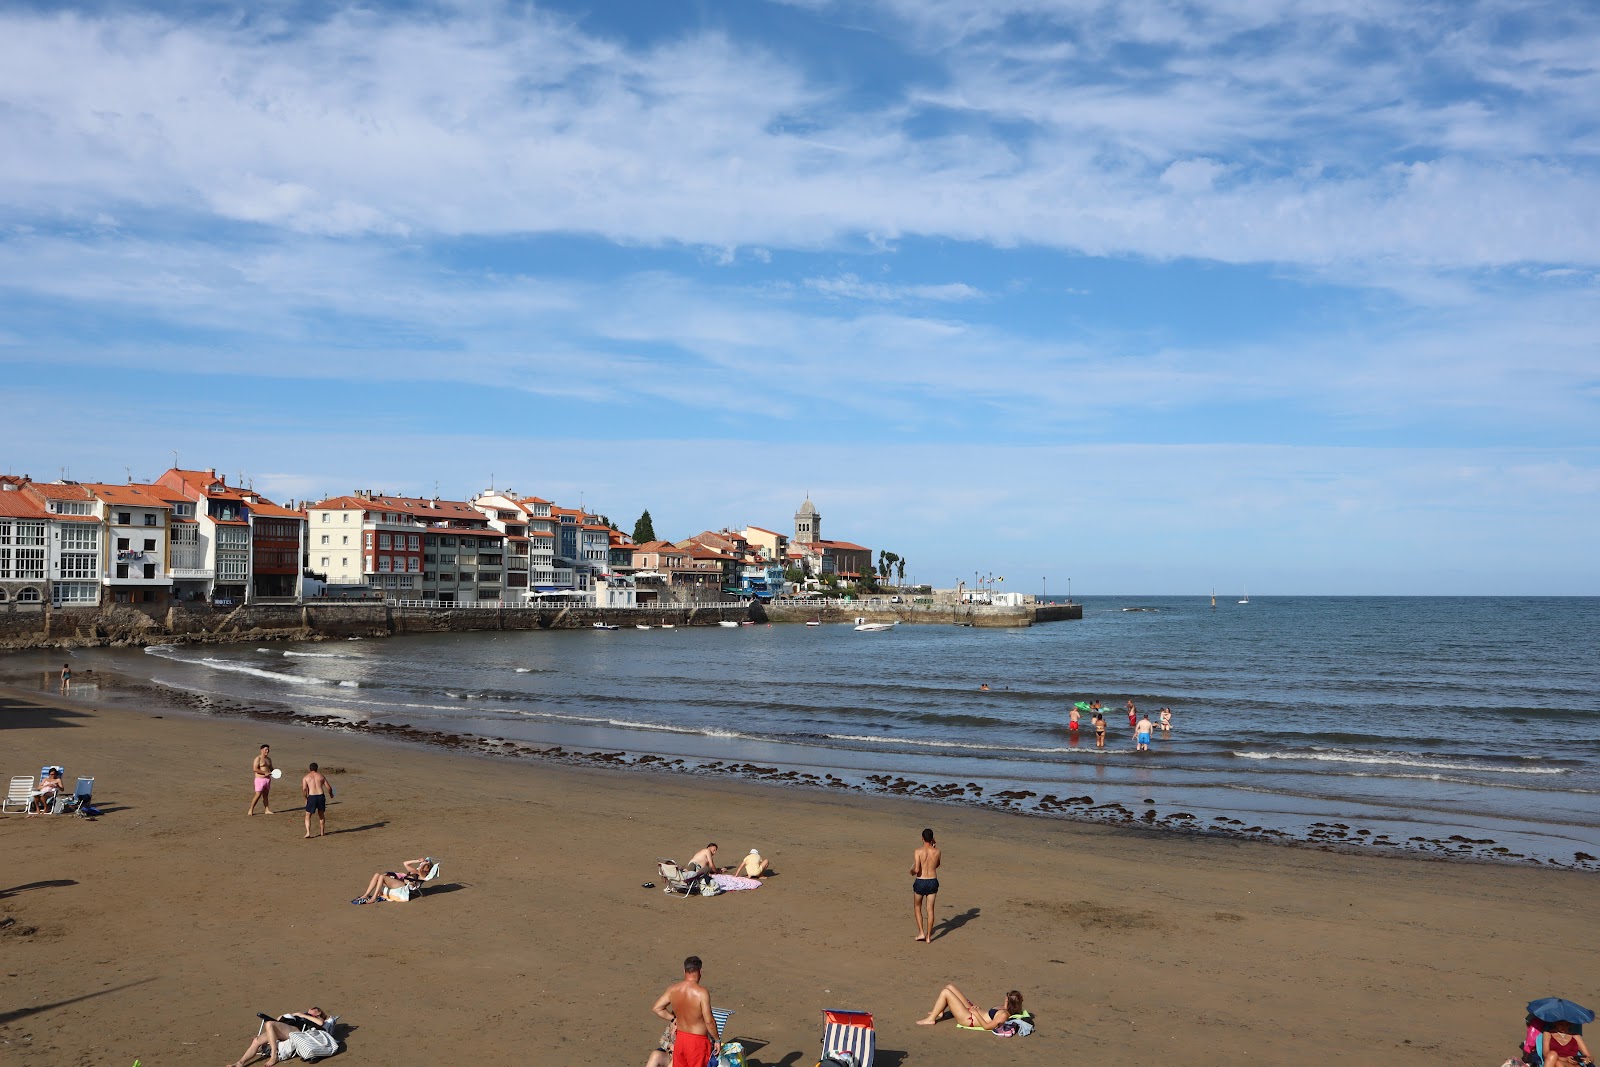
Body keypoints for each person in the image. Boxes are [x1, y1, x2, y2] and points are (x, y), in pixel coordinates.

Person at [651, 955, 720, 1067]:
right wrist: (717, 1040)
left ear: (684, 971)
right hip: (697, 1042)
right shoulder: (701, 992)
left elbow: (657, 1008)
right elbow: (709, 1021)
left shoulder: (673, 989)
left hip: (681, 1040)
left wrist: (674, 1018)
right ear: (700, 971)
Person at [224, 1006, 335, 1067]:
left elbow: (321, 1024)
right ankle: (240, 1063)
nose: (309, 1009)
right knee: (257, 1040)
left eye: (312, 1008)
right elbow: (277, 1020)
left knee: (269, 1024)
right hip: (286, 1028)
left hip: (298, 1033)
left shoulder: (318, 1018)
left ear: (318, 1012)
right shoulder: (301, 1014)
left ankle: (274, 1055)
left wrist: (301, 1015)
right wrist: (289, 1015)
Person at [916, 986, 1023, 1029]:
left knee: (946, 993)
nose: (1004, 1000)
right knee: (949, 987)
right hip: (973, 1011)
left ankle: (931, 1019)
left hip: (969, 1018)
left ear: (1010, 1003)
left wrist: (976, 1014)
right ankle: (939, 1012)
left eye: (1006, 1000)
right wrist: (978, 1009)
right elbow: (988, 1014)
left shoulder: (1004, 1015)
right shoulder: (1004, 1009)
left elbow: (987, 1026)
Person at [351, 857, 435, 904]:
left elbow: (420, 870)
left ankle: (374, 897)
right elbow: (405, 863)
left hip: (403, 887)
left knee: (382, 877)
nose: (422, 866)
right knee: (377, 875)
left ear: (428, 870)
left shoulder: (423, 875)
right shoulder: (415, 871)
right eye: (423, 865)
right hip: (400, 882)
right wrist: (418, 860)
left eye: (425, 867)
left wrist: (425, 864)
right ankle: (366, 894)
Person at [911, 828, 941, 943]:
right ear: (932, 839)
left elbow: (917, 869)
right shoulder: (937, 851)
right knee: (930, 910)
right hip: (932, 880)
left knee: (917, 907)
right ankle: (928, 937)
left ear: (922, 838)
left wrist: (911, 872)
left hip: (921, 881)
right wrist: (934, 847)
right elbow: (937, 865)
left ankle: (921, 933)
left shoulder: (918, 851)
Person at [302, 762, 330, 839]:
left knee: (308, 815)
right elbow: (329, 788)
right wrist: (331, 794)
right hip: (320, 796)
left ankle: (308, 832)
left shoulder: (306, 777)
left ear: (309, 769)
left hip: (312, 796)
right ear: (317, 769)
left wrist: (306, 798)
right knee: (321, 815)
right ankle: (322, 832)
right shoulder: (321, 776)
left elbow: (304, 789)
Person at [247, 744, 274, 816]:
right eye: (266, 750)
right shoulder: (258, 758)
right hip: (259, 779)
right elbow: (255, 769)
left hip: (267, 780)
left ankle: (267, 810)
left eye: (268, 750)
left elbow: (271, 769)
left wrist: (276, 773)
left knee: (266, 795)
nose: (267, 751)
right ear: (261, 750)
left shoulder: (268, 759)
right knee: (258, 795)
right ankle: (251, 809)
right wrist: (265, 773)